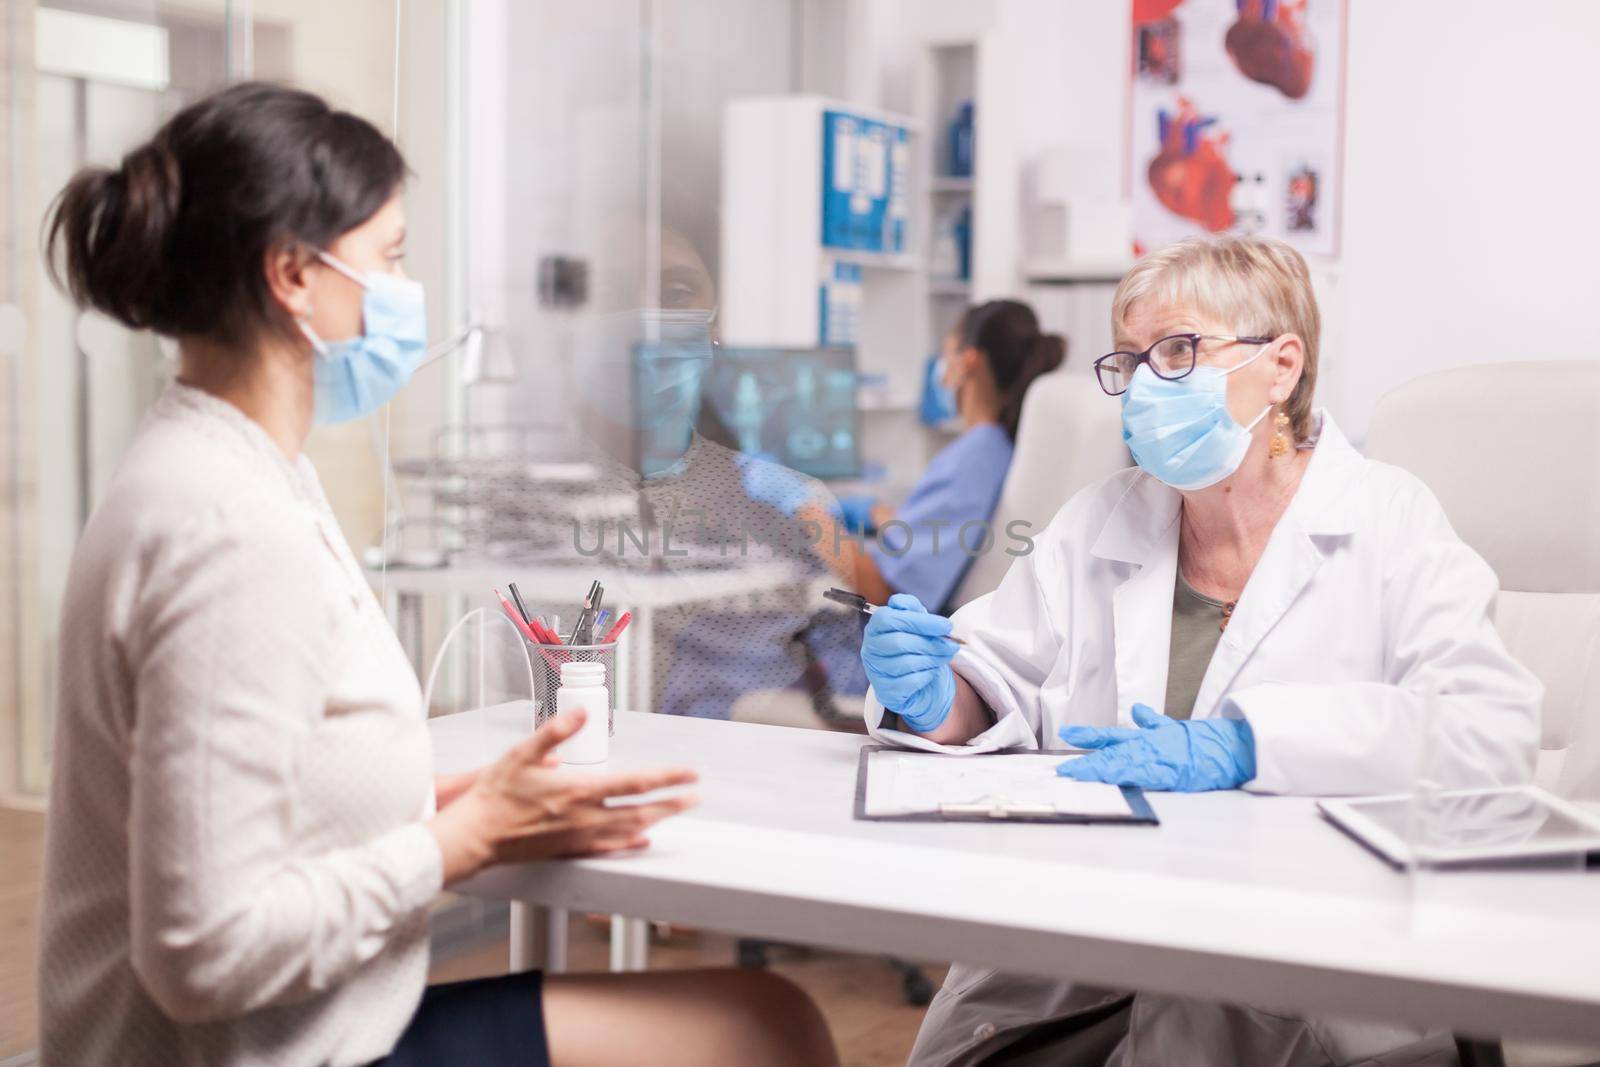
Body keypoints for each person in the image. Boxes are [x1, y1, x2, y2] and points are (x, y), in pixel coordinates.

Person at [36, 83, 838, 1067]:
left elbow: (268, 782)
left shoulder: (239, 467)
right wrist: (461, 840)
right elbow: (203, 952)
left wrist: (456, 801)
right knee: (768, 1028)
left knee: (763, 1016)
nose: (408, 295)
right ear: (294, 273)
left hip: (297, 1026)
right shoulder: (223, 527)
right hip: (261, 1050)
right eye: (391, 258)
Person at [857, 235, 1541, 1066]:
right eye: (1134, 361)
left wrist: (1253, 743)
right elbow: (1005, 677)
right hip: (1086, 962)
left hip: (1306, 979)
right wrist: (936, 695)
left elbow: (1490, 730)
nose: (1148, 385)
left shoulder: (1389, 520)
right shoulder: (1102, 517)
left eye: (1179, 351)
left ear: (1282, 366)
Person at [824, 301, 1065, 611]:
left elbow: (882, 591)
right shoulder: (994, 447)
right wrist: (880, 514)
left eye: (947, 352)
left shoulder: (973, 459)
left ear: (968, 362)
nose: (940, 371)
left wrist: (807, 510)